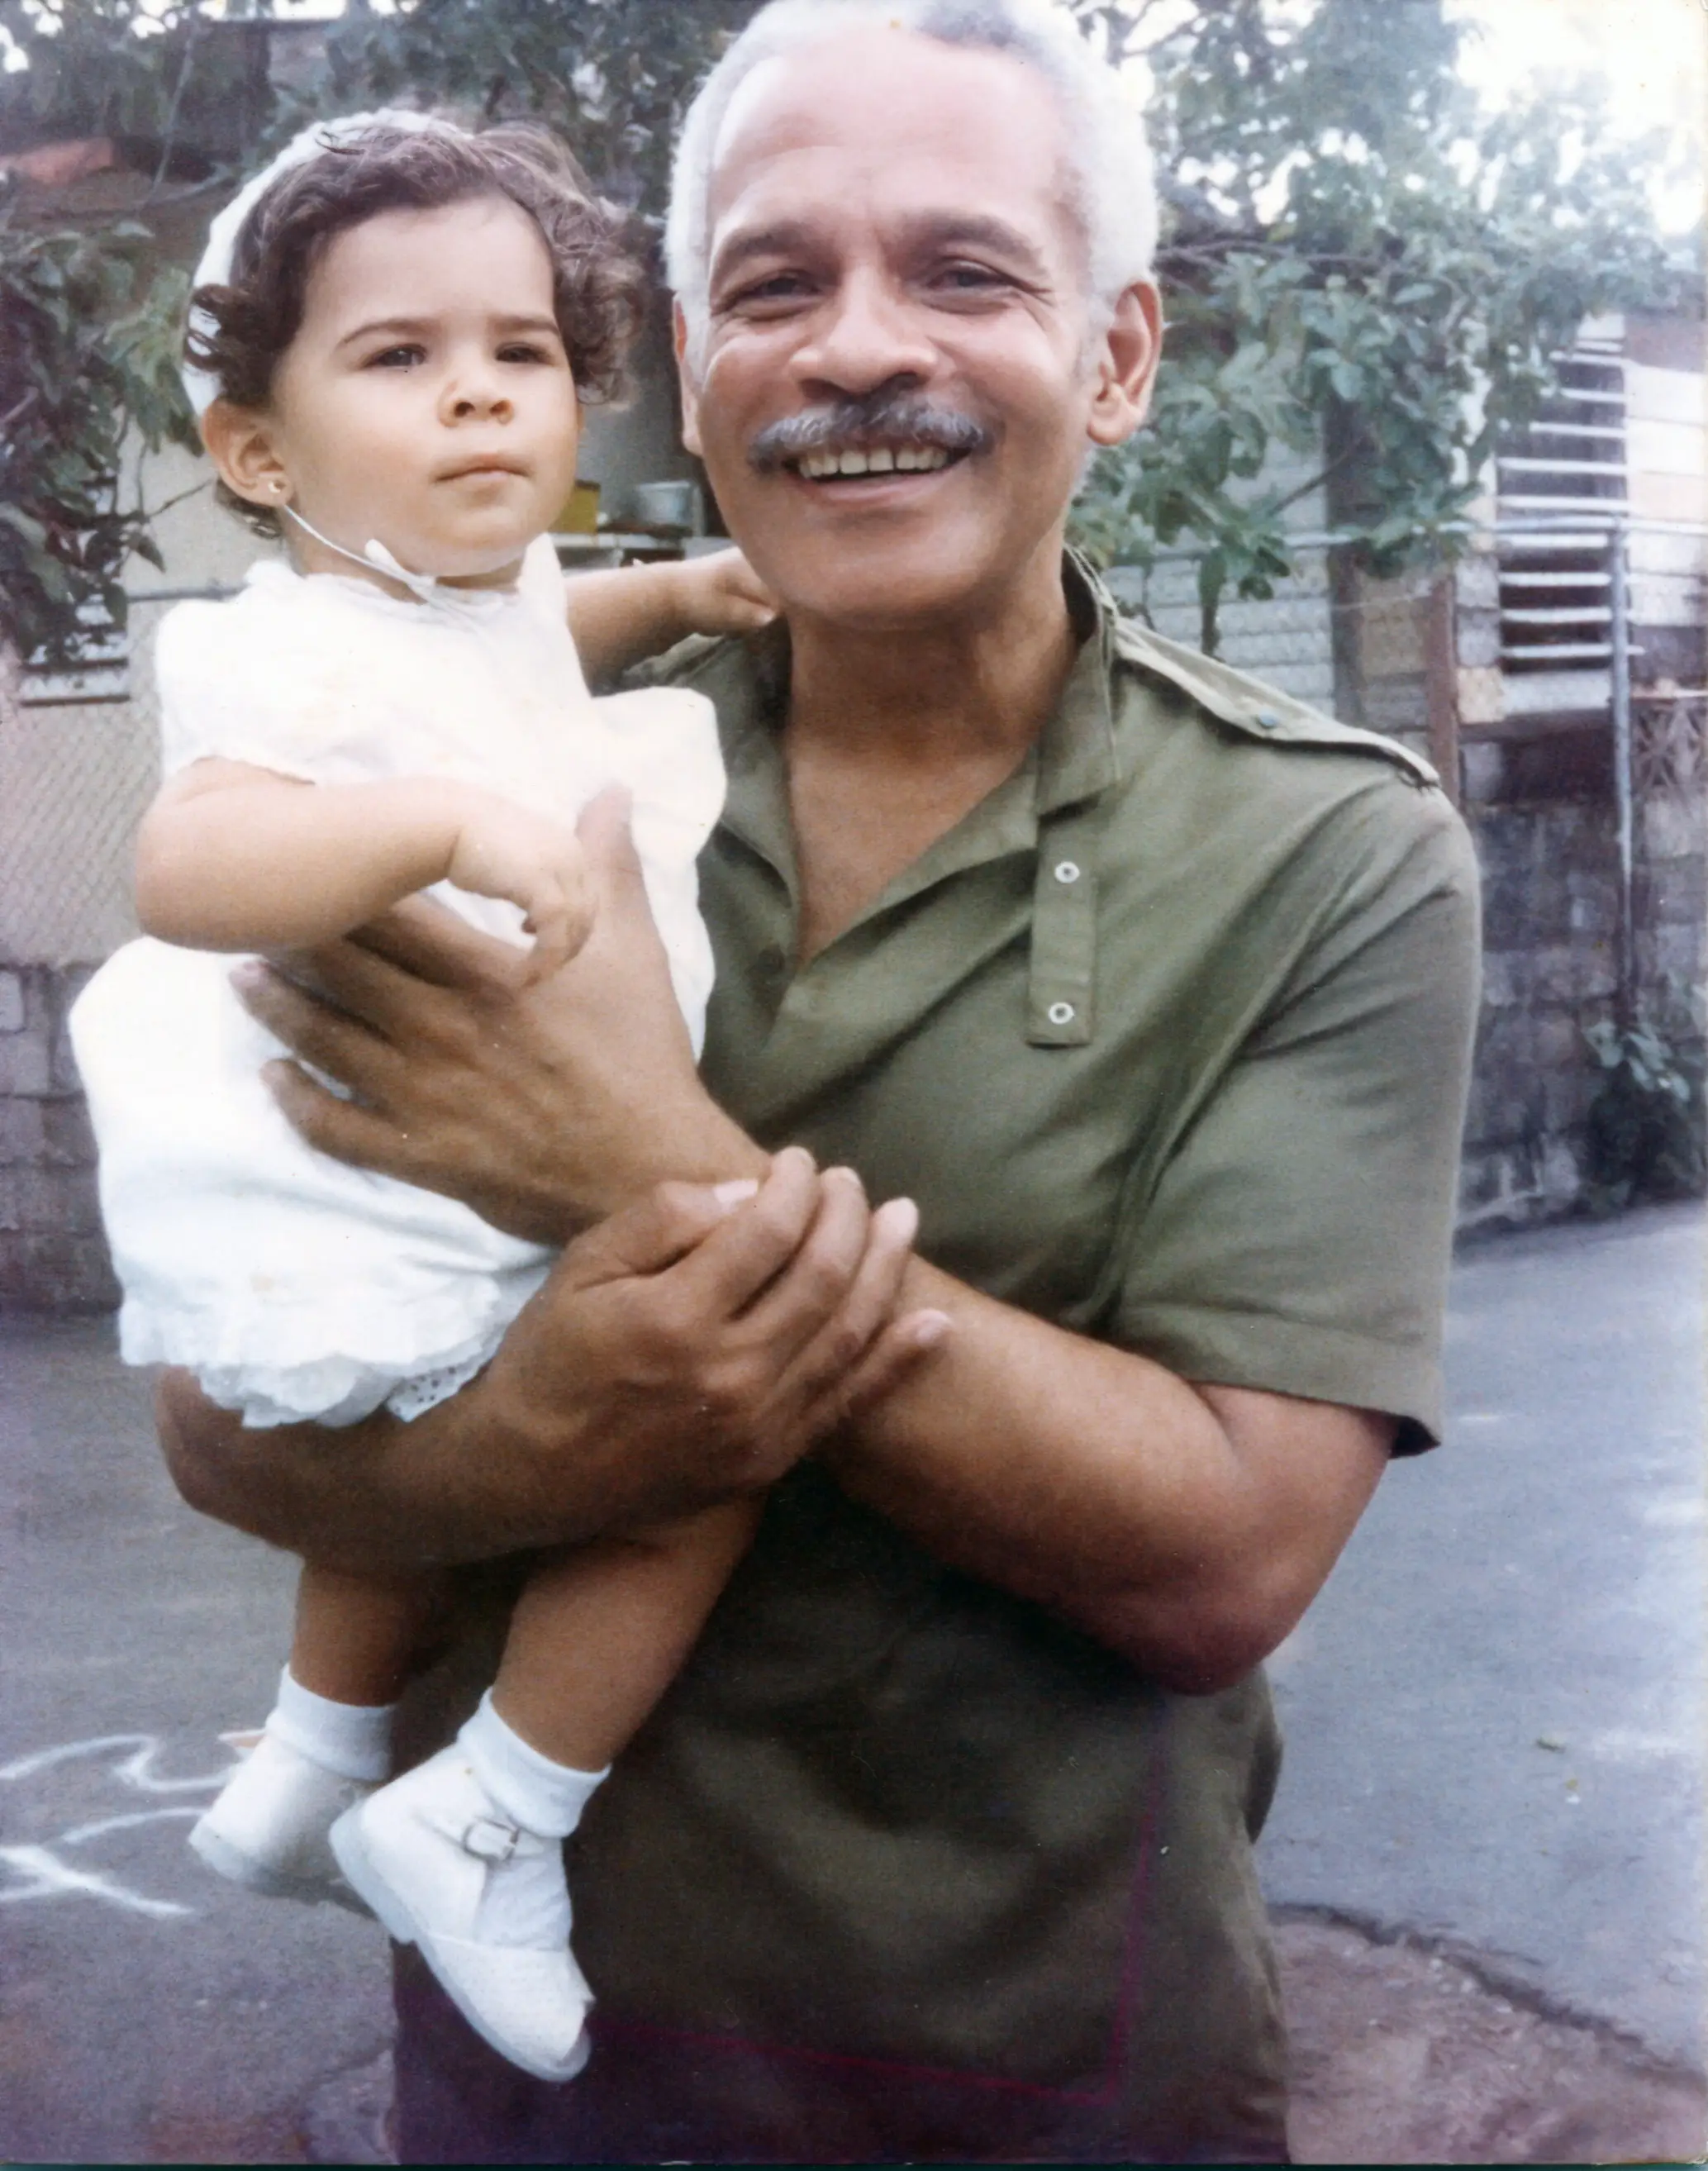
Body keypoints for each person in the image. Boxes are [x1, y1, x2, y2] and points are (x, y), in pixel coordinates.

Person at [155, 0, 1482, 2159]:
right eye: (777, 283)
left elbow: (1225, 1557)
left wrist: (647, 1167)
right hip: (535, 2076)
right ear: (691, 368)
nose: (863, 346)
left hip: (1058, 2074)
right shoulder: (446, 756)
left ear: (1119, 356)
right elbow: (223, 1406)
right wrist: (548, 1433)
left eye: (963, 269)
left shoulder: (1319, 851)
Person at [71, 112, 936, 2089]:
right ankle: (489, 1813)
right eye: (397, 357)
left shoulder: (480, 603)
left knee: (411, 1419)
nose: (477, 385)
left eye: (522, 349)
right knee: (717, 1421)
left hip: (462, 1152)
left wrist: (699, 587)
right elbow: (184, 865)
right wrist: (442, 817)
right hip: (401, 1148)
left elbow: (556, 628)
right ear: (259, 458)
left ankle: (308, 1756)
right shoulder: (284, 649)